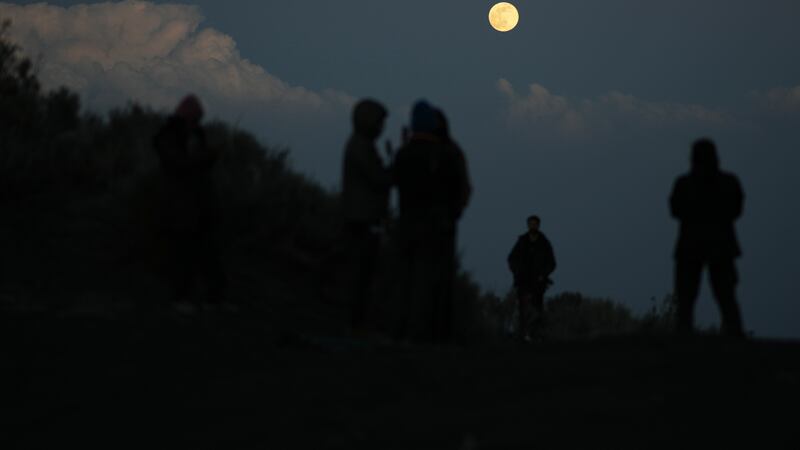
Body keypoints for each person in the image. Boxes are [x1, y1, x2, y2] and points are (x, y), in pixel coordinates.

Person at [393, 100, 468, 343]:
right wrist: (453, 213)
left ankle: (408, 331)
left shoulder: (407, 153)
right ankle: (433, 333)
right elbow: (460, 188)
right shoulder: (447, 153)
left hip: (412, 224)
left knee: (409, 280)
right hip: (438, 226)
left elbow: (394, 180)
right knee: (432, 282)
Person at [153, 94, 226, 313]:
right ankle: (181, 298)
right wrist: (205, 158)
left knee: (205, 251)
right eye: (195, 118)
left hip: (198, 203)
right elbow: (178, 164)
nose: (196, 122)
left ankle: (212, 298)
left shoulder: (193, 134)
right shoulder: (169, 135)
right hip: (179, 204)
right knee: (183, 252)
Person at [670, 138, 745, 337]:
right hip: (719, 246)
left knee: (688, 298)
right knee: (724, 296)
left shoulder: (685, 184)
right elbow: (736, 209)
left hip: (692, 246)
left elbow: (675, 209)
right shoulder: (728, 183)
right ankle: (734, 335)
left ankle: (684, 335)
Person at [341, 98, 393, 333]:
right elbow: (379, 179)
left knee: (362, 274)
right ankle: (354, 324)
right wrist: (393, 168)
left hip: (361, 219)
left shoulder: (361, 145)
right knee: (360, 274)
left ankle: (356, 323)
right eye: (379, 122)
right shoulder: (361, 147)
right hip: (360, 221)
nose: (381, 128)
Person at [507, 215, 556, 341]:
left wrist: (543, 275)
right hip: (522, 280)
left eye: (535, 224)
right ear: (527, 225)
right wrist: (516, 272)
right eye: (531, 224)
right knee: (522, 308)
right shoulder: (522, 241)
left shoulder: (544, 243)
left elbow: (552, 263)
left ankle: (534, 334)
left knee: (537, 309)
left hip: (538, 282)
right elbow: (511, 258)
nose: (533, 226)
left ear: (538, 225)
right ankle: (521, 334)